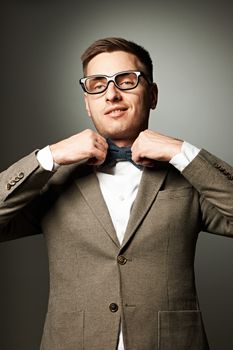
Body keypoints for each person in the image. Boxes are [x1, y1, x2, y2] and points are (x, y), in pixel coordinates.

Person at [0, 37, 232, 350]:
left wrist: (184, 153)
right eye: (97, 84)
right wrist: (48, 157)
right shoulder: (51, 181)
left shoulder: (188, 177)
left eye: (126, 81)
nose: (111, 94)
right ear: (87, 102)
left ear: (152, 95)